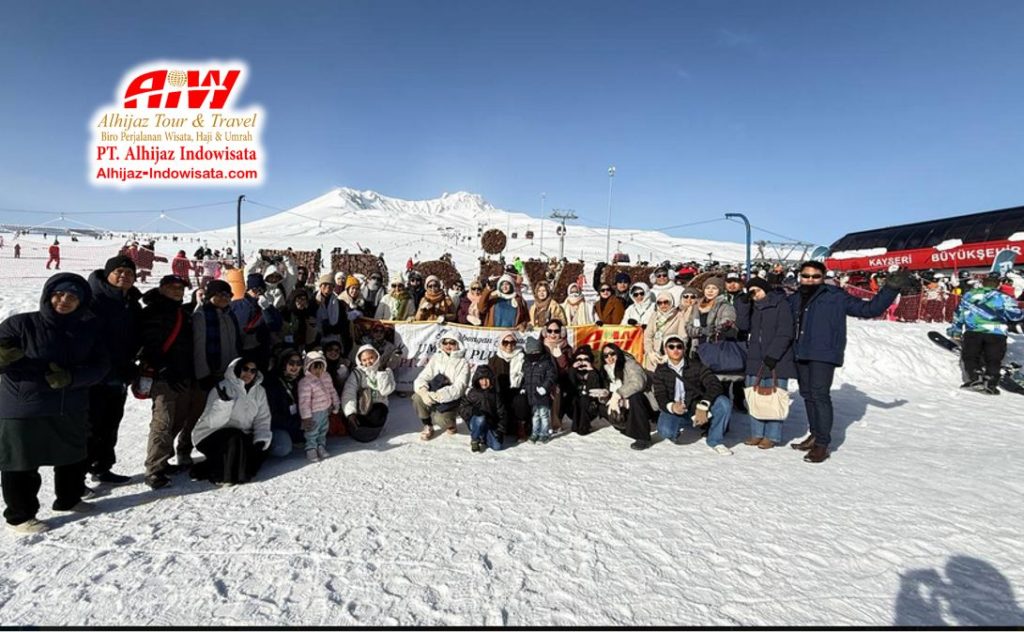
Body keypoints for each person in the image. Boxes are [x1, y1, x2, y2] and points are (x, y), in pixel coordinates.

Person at [0, 273, 109, 534]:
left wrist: (71, 378)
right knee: (21, 462)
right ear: (49, 295)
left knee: (72, 455)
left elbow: (101, 366)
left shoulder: (87, 329)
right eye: (59, 294)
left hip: (69, 402)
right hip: (24, 406)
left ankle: (69, 499)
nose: (64, 300)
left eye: (72, 297)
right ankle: (20, 516)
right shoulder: (21, 324)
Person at [787, 260, 906, 463]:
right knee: (807, 395)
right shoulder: (795, 298)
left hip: (824, 353)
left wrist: (891, 288)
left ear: (823, 277)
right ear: (800, 277)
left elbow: (869, 309)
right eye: (806, 276)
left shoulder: (836, 297)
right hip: (800, 351)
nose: (810, 280)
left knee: (819, 395)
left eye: (815, 276)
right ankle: (814, 435)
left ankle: (822, 444)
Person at [84, 255, 142, 485]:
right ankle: (77, 478)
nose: (124, 276)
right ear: (108, 274)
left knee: (111, 424)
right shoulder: (92, 300)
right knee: (89, 427)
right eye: (119, 271)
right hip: (94, 375)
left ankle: (102, 467)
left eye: (129, 273)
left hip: (120, 374)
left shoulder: (132, 303)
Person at [140, 275, 201, 489]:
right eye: (172, 287)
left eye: (180, 287)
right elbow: (149, 345)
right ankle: (154, 470)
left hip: (183, 375)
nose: (177, 290)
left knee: (178, 419)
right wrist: (164, 368)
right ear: (162, 288)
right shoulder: (153, 311)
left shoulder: (180, 311)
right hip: (163, 377)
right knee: (163, 423)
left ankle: (164, 461)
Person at [190, 358, 272, 486]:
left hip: (240, 435)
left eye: (253, 371)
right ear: (237, 369)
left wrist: (261, 438)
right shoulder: (223, 387)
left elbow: (262, 418)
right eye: (245, 369)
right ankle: (224, 477)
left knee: (261, 450)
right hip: (210, 434)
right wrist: (224, 404)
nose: (248, 373)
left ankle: (208, 466)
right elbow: (213, 422)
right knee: (234, 438)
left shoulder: (259, 391)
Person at [736, 277, 796, 449]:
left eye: (757, 290)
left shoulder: (780, 304)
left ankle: (772, 435)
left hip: (777, 358)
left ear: (765, 289)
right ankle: (757, 433)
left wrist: (774, 355)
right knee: (754, 396)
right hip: (755, 356)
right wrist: (744, 305)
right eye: (751, 291)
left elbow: (786, 332)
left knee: (774, 395)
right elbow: (742, 326)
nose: (755, 294)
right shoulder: (753, 307)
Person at [652, 335, 734, 455]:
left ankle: (715, 440)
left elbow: (714, 384)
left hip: (696, 406)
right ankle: (686, 424)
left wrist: (704, 405)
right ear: (665, 349)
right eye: (671, 346)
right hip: (676, 408)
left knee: (724, 403)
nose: (675, 350)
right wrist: (672, 407)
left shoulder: (696, 366)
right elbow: (660, 395)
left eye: (679, 347)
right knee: (665, 432)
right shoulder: (660, 371)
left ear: (684, 349)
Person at [948, 273, 1023, 394]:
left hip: (973, 331)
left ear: (983, 283)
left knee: (971, 356)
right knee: (993, 359)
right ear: (998, 285)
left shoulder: (969, 295)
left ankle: (975, 378)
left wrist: (955, 329)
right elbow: (1016, 315)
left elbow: (959, 313)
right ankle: (991, 383)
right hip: (997, 333)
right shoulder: (1003, 297)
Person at [412, 329, 470, 440]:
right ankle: (428, 425)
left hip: (451, 399)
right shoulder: (436, 358)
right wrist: (424, 391)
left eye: (452, 343)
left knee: (441, 420)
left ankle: (450, 422)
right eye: (445, 342)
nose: (448, 345)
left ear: (458, 344)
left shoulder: (463, 363)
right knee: (417, 397)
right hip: (433, 392)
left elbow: (460, 388)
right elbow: (424, 376)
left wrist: (439, 396)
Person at [599, 343, 653, 450]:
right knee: (601, 405)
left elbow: (638, 383)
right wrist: (604, 396)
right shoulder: (606, 370)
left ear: (618, 353)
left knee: (635, 396)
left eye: (612, 354)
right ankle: (625, 427)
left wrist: (619, 394)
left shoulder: (629, 364)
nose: (610, 357)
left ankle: (643, 437)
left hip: (644, 402)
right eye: (606, 356)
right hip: (623, 403)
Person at [192, 279, 241, 393]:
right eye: (219, 295)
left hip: (230, 370)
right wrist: (203, 375)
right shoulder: (202, 314)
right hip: (212, 371)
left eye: (228, 295)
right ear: (210, 296)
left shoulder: (230, 313)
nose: (224, 298)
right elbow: (199, 346)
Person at [341, 344, 396, 442]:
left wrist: (381, 373)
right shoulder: (357, 373)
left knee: (377, 414)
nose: (368, 362)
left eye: (371, 358)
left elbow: (385, 391)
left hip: (377, 405)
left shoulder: (386, 370)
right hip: (361, 405)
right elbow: (349, 392)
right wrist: (350, 413)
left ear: (376, 356)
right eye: (364, 360)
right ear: (360, 361)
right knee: (355, 421)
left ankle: (373, 430)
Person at [231, 273, 283, 372]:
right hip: (239, 351)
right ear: (248, 290)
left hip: (261, 352)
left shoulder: (268, 307)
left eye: (261, 290)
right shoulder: (235, 306)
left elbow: (276, 326)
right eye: (254, 289)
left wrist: (267, 308)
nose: (258, 292)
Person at [298, 350, 340, 462]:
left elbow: (332, 391)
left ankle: (321, 445)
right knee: (312, 431)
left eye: (320, 367)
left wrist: (335, 404)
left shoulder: (326, 377)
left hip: (325, 410)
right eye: (315, 368)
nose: (318, 371)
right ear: (308, 367)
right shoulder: (305, 382)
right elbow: (304, 401)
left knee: (323, 429)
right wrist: (306, 417)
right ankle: (311, 448)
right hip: (313, 412)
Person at [487, 332, 530, 440]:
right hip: (500, 391)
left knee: (521, 400)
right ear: (501, 343)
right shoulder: (493, 360)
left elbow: (528, 375)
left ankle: (521, 427)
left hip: (517, 390)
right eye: (505, 342)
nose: (509, 345)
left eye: (512, 342)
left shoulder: (522, 357)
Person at [458, 365, 508, 452]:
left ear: (491, 380)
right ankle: (475, 439)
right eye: (481, 379)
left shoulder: (495, 395)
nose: (484, 382)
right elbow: (462, 408)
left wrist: (500, 430)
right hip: (475, 423)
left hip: (489, 425)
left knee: (497, 446)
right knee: (480, 418)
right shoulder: (472, 393)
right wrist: (473, 411)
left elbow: (502, 413)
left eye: (486, 379)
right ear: (477, 380)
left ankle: (483, 436)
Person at [265, 348, 304, 457]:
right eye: (291, 363)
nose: (295, 367)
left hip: (292, 422)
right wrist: (298, 425)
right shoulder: (272, 383)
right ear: (283, 364)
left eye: (298, 363)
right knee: (283, 448)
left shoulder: (299, 380)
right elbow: (273, 416)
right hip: (275, 425)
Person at [522, 337, 557, 443]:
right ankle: (535, 433)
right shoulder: (527, 364)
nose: (535, 354)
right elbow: (525, 379)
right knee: (535, 415)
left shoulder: (546, 363)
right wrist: (524, 388)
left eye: (537, 351)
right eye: (532, 352)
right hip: (532, 395)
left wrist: (545, 388)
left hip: (543, 395)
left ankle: (544, 433)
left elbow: (551, 376)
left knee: (544, 415)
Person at [567, 345, 607, 435]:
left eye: (586, 359)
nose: (582, 362)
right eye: (579, 359)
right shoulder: (572, 371)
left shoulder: (595, 372)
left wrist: (591, 371)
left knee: (585, 398)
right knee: (575, 399)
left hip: (590, 407)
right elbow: (569, 386)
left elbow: (593, 390)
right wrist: (573, 369)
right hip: (573, 407)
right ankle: (576, 425)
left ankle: (584, 427)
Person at [643, 291, 686, 371]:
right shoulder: (654, 316)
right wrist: (650, 352)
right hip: (655, 355)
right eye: (660, 303)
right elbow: (648, 336)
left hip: (671, 353)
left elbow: (683, 337)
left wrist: (671, 354)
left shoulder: (679, 316)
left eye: (666, 302)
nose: (663, 305)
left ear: (671, 302)